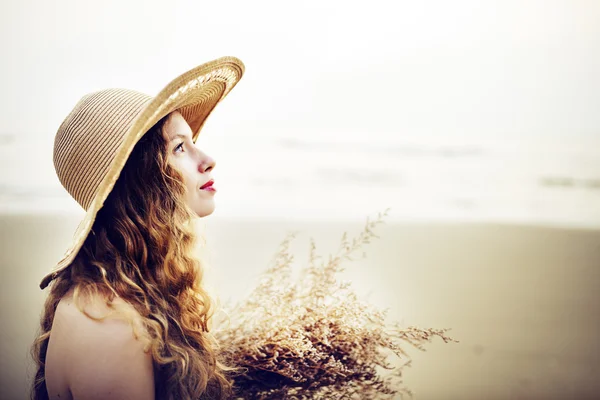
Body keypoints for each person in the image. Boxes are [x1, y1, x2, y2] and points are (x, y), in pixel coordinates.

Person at [30, 56, 245, 400]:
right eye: (179, 147)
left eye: (192, 142)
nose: (207, 159)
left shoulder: (133, 290)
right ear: (140, 180)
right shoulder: (107, 325)